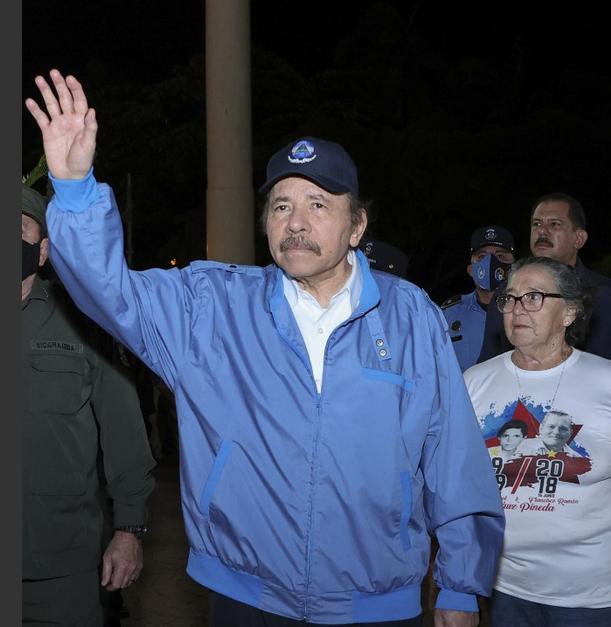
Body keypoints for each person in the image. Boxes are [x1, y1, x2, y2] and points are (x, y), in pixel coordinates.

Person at [27, 69, 504, 627]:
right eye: (280, 206)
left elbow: (453, 455)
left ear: (357, 225)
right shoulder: (212, 305)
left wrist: (461, 586)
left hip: (373, 600)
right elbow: (109, 293)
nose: (296, 222)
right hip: (244, 593)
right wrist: (77, 189)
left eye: (318, 204)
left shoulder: (409, 315)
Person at [464, 256, 611, 627]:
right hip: (504, 586)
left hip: (592, 593)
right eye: (509, 298)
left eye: (534, 297)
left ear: (570, 312)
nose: (517, 309)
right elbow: (455, 482)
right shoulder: (474, 382)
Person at [21, 183, 155, 625]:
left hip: (61, 571)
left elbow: (124, 431)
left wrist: (129, 528)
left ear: (41, 252)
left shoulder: (80, 321)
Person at [476, 193, 611, 363]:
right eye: (536, 224)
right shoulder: (506, 294)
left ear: (579, 239)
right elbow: (491, 363)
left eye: (554, 224)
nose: (542, 231)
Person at [441, 225, 515, 370]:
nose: (490, 262)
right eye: (481, 257)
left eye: (500, 256)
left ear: (513, 267)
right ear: (470, 269)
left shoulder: (526, 309)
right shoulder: (448, 314)